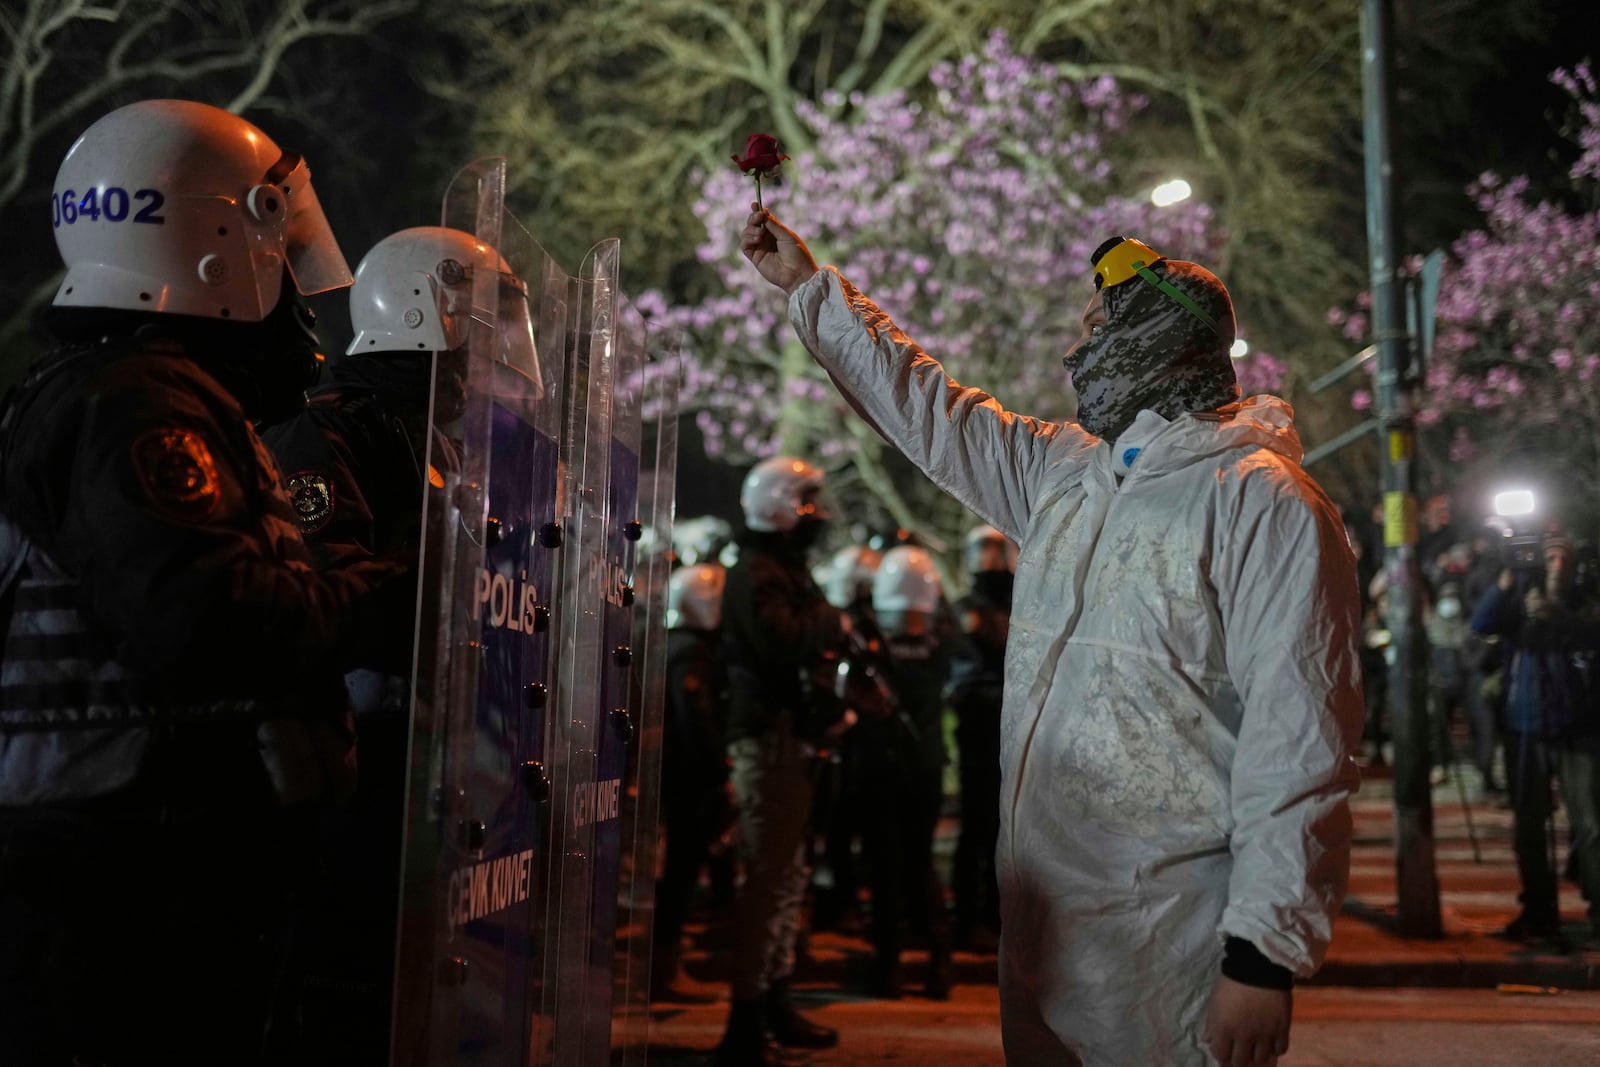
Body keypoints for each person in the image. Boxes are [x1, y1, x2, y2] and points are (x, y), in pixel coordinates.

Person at [741, 215, 1364, 1066]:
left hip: (1171, 945)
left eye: (1099, 329)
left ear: (1152, 341)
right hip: (1044, 931)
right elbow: (934, 414)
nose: (1081, 351)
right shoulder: (1067, 472)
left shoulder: (1264, 504)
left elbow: (1301, 739)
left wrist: (1263, 952)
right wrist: (813, 290)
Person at [0, 99, 412, 1065]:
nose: (302, 302)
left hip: (138, 862)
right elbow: (213, 613)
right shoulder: (135, 404)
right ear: (216, 247)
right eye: (282, 252)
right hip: (120, 876)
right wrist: (412, 596)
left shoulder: (142, 390)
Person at [716, 456, 847, 1065]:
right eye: (806, 500)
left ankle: (772, 999)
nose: (815, 514)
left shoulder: (782, 567)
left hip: (790, 738)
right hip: (768, 739)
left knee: (787, 879)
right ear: (777, 503)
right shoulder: (756, 570)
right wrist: (831, 619)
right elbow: (783, 641)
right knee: (766, 881)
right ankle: (746, 1018)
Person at [1470, 535, 1600, 947]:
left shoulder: (1586, 592)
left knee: (1592, 825)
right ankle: (1538, 913)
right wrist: (1508, 580)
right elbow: (1482, 624)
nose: (1554, 561)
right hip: (1525, 723)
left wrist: (1556, 612)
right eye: (1548, 553)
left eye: (1561, 552)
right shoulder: (1520, 591)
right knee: (1529, 826)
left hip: (1579, 726)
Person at [860, 544, 953, 999]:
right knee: (921, 863)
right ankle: (939, 963)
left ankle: (889, 967)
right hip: (927, 764)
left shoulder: (870, 636)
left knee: (885, 866)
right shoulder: (942, 637)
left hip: (882, 765)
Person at [652, 561, 731, 999]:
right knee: (682, 870)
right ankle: (665, 967)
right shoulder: (690, 650)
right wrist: (720, 766)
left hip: (685, 772)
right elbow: (695, 717)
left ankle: (667, 962)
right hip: (691, 776)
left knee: (684, 868)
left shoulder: (683, 644)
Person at [947, 524, 1014, 951]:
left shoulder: (1023, 597)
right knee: (977, 826)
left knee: (1007, 829)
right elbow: (965, 672)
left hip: (1013, 728)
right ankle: (971, 917)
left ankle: (996, 914)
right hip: (981, 729)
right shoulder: (965, 608)